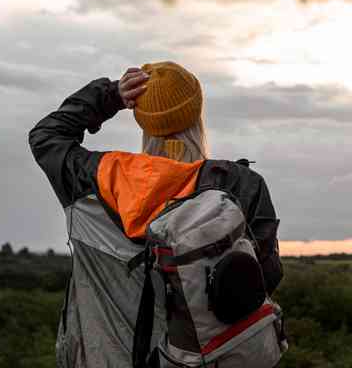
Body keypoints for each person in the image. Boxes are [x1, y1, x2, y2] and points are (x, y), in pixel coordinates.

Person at [29, 62, 283, 367]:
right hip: (202, 360)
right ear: (196, 115)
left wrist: (111, 95)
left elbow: (46, 136)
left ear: (143, 121)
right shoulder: (239, 184)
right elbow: (264, 279)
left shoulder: (95, 177)